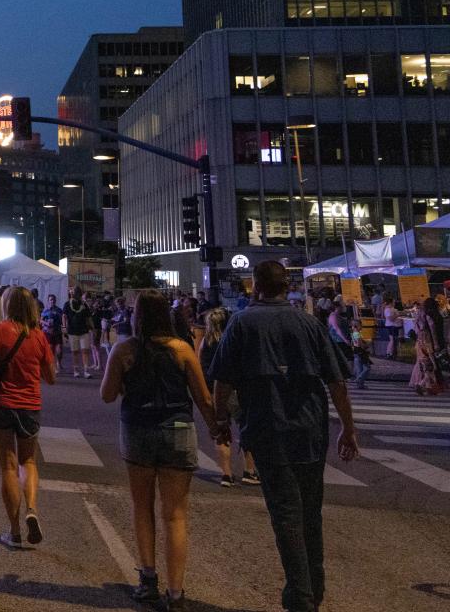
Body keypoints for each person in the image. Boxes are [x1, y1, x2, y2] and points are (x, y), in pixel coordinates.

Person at [207, 260, 359, 612]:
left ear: (255, 287)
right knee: (310, 512)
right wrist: (348, 429)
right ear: (286, 286)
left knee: (286, 513)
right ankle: (312, 589)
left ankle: (301, 596)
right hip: (309, 428)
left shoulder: (242, 323)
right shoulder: (308, 323)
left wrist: (220, 421)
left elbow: (223, 380)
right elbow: (336, 382)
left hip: (266, 427)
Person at [101, 290, 218, 611]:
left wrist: (126, 381)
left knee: (142, 507)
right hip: (177, 431)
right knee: (175, 514)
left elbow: (107, 395)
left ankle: (148, 579)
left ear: (136, 316)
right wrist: (217, 428)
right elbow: (203, 398)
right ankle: (176, 592)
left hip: (137, 430)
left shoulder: (124, 350)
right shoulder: (182, 350)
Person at [0, 285, 56, 550]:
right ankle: (32, 508)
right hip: (29, 405)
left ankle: (14, 531)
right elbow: (51, 377)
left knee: (8, 467)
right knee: (29, 460)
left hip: (1, 404)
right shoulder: (38, 336)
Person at [198, 306, 258, 487]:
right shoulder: (234, 341)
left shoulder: (205, 342)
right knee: (247, 429)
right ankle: (249, 471)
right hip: (236, 390)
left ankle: (226, 474)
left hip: (213, 391)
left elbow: (201, 366)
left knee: (222, 432)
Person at [410, 300, 445, 397]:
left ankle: (428, 387)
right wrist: (436, 343)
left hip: (419, 343)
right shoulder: (428, 318)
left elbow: (416, 331)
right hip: (428, 343)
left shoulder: (417, 319)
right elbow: (433, 329)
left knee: (425, 366)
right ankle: (422, 385)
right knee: (432, 365)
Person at [63, 287, 95, 377]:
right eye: (72, 293)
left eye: (76, 293)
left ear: (79, 294)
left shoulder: (84, 305)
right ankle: (76, 370)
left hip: (84, 331)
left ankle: (86, 371)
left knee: (85, 350)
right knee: (75, 351)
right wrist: (64, 327)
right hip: (72, 331)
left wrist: (93, 329)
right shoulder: (67, 304)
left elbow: (89, 318)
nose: (73, 294)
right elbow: (64, 316)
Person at [40, 293, 64, 369]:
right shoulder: (45, 310)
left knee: (59, 349)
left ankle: (59, 363)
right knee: (50, 349)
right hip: (48, 332)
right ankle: (53, 366)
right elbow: (40, 320)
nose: (52, 301)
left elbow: (62, 321)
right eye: (51, 300)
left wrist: (64, 327)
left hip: (57, 332)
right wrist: (46, 323)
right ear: (48, 301)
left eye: (53, 300)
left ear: (55, 301)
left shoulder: (59, 310)